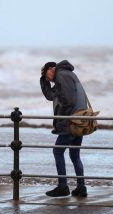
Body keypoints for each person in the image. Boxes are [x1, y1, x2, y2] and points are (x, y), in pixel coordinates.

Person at [40, 60, 88, 197]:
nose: (47, 78)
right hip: (80, 120)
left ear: (50, 69)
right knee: (74, 155)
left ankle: (63, 187)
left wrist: (63, 119)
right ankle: (81, 188)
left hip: (71, 121)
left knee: (57, 152)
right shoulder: (68, 74)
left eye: (45, 74)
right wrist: (43, 82)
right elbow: (51, 96)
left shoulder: (62, 75)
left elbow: (69, 100)